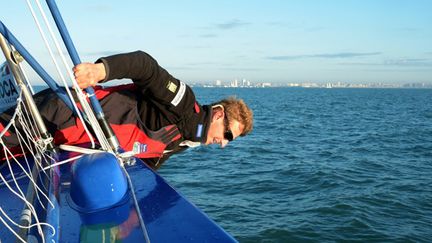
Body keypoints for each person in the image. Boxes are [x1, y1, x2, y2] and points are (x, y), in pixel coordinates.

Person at [0, 51, 253, 169]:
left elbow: (151, 162)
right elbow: (145, 66)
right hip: (60, 114)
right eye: (229, 135)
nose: (224, 144)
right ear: (219, 114)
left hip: (62, 144)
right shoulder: (184, 102)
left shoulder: (185, 140)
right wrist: (99, 71)